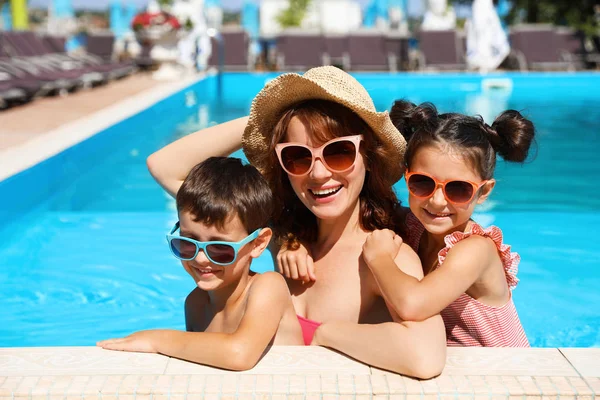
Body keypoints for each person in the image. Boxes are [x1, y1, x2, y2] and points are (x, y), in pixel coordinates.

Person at [146, 66, 446, 378]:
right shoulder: (277, 235)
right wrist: (265, 122)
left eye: (339, 153)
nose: (318, 174)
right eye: (297, 156)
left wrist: (325, 334)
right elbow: (164, 166)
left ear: (367, 156)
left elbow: (424, 358)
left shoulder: (386, 255)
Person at [97, 157, 304, 370]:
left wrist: (157, 339)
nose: (200, 258)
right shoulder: (196, 304)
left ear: (258, 243)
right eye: (187, 243)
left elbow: (239, 354)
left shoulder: (268, 287)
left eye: (220, 248)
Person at [360, 100, 534, 347]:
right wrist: (294, 242)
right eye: (422, 183)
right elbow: (355, 210)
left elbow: (413, 305)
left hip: (509, 376)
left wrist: (379, 258)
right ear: (406, 175)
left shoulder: (476, 250)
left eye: (458, 189)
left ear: (483, 192)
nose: (437, 201)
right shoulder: (413, 224)